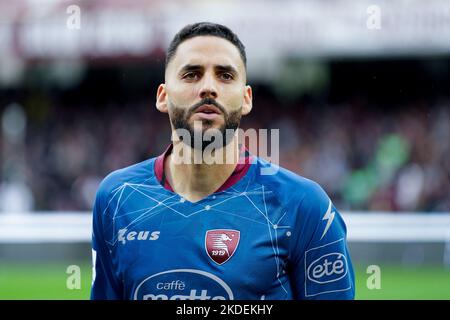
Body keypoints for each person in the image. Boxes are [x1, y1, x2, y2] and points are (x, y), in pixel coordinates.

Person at [91, 22, 355, 300]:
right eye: (191, 74)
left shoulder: (303, 205)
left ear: (246, 99)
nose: (208, 87)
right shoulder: (117, 197)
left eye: (225, 75)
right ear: (163, 96)